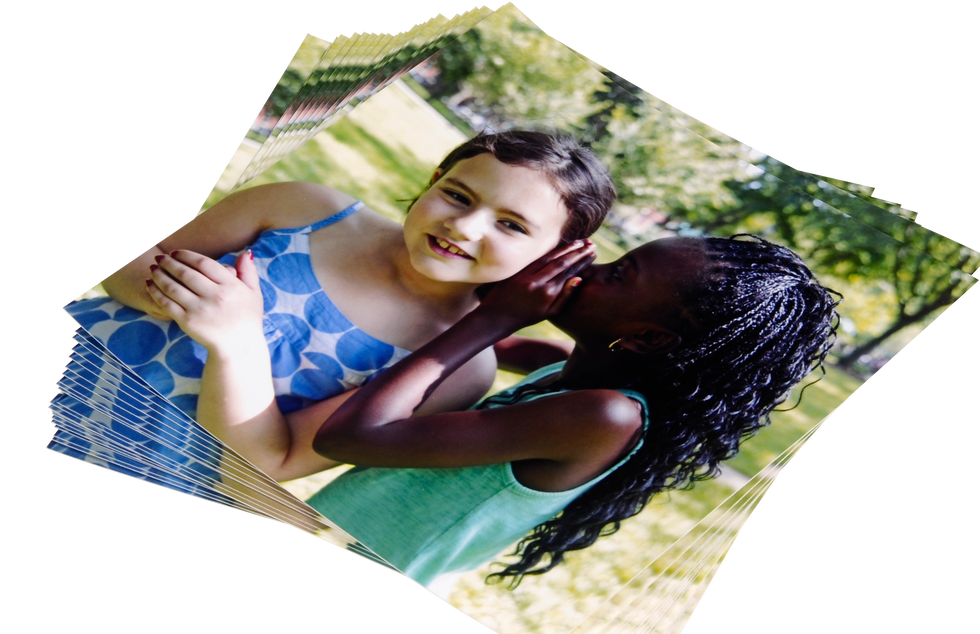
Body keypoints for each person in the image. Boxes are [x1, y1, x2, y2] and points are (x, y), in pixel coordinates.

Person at [149, 230, 840, 587]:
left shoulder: (604, 418)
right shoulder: (562, 369)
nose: (590, 272)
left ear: (649, 338)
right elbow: (464, 327)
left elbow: (355, 432)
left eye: (618, 274)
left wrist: (485, 324)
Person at [60, 131, 615, 426]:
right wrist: (170, 300)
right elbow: (132, 264)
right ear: (434, 178)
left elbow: (274, 459)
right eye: (457, 194)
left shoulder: (459, 369)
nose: (464, 226)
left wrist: (237, 337)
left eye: (512, 225)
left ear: (554, 256)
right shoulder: (302, 207)